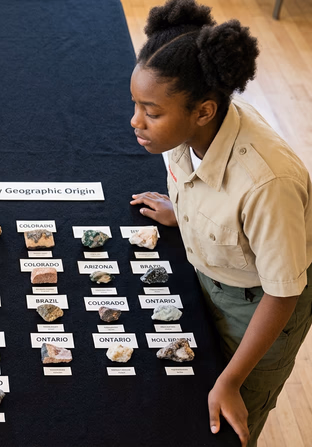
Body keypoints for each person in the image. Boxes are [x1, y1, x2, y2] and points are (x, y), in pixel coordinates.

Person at [128, 0, 312, 445]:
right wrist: (184, 214)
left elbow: (284, 292)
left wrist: (232, 382)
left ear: (204, 111)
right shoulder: (187, 131)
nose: (136, 122)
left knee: (227, 419)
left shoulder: (268, 182)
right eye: (135, 104)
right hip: (206, 277)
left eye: (151, 112)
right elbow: (202, 190)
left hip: (259, 308)